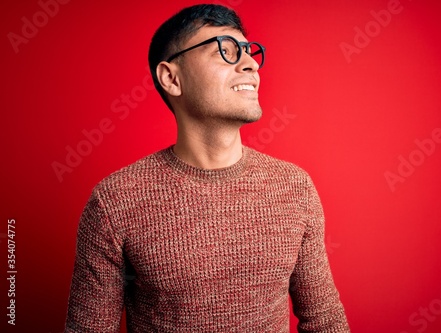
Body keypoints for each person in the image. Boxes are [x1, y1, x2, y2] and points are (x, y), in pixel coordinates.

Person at [65, 4, 350, 332]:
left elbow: (324, 319)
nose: (250, 65)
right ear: (171, 78)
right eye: (226, 51)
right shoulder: (115, 201)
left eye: (249, 52)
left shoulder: (294, 187)